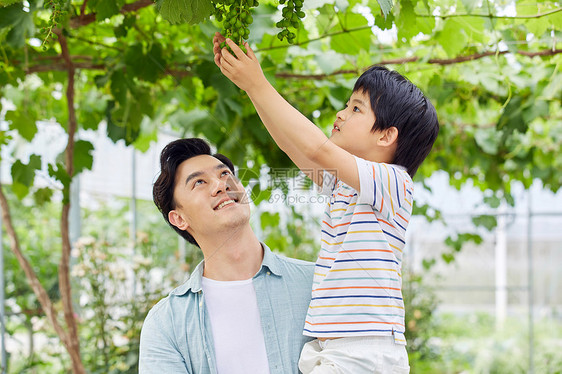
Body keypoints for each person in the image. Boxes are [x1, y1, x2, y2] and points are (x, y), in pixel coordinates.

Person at [213, 33, 439, 373]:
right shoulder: (346, 185)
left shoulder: (392, 181)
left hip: (364, 351)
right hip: (336, 350)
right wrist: (249, 87)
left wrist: (258, 84)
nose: (341, 113)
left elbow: (316, 147)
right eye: (347, 105)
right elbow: (296, 147)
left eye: (356, 108)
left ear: (386, 135)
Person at [139, 138, 315, 374]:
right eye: (199, 182)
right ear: (179, 218)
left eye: (224, 174)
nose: (221, 185)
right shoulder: (166, 324)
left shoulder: (317, 283)